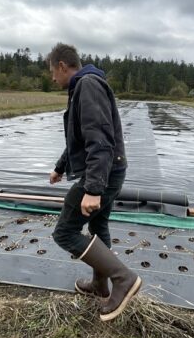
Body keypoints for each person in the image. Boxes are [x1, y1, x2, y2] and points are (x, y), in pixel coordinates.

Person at [47, 42, 141, 321]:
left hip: (103, 174)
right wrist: (60, 167)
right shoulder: (84, 86)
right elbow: (80, 138)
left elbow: (99, 138)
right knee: (98, 225)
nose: (53, 79)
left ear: (62, 66)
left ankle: (123, 279)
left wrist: (93, 189)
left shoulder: (87, 85)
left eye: (53, 72)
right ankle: (100, 284)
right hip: (110, 171)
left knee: (64, 232)